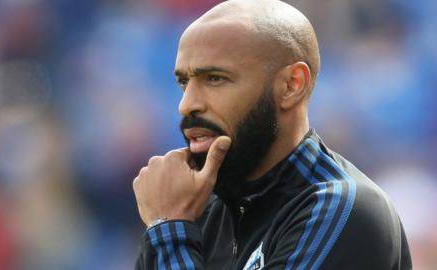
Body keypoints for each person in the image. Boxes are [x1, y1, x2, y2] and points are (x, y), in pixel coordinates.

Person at [132, 0, 412, 269]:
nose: (187, 104)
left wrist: (168, 227)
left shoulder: (342, 211)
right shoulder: (195, 210)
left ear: (292, 85)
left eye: (215, 78)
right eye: (184, 82)